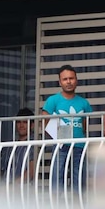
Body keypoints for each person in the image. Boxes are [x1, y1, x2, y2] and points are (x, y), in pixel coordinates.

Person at [41, 64, 92, 193]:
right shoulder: (53, 100)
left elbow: (85, 124)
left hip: (79, 145)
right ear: (60, 82)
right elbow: (44, 120)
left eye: (71, 78)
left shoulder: (84, 102)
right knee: (57, 179)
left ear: (76, 80)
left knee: (79, 180)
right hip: (60, 144)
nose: (68, 82)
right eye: (65, 79)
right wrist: (58, 135)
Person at [0, 107, 35, 182]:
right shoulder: (10, 146)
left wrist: (12, 186)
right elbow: (0, 170)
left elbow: (31, 172)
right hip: (4, 187)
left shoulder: (34, 145)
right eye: (19, 122)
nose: (21, 125)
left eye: (25, 122)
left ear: (32, 125)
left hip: (24, 189)